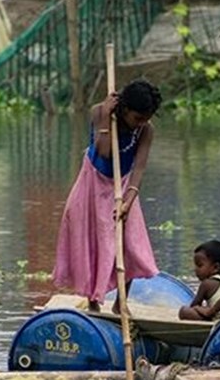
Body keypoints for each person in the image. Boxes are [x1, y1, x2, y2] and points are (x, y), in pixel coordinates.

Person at [52, 80, 162, 312]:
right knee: (92, 238)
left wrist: (129, 201)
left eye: (146, 118)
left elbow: (139, 167)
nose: (141, 124)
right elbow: (104, 151)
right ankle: (93, 301)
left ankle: (121, 303)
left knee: (129, 242)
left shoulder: (146, 130)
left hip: (123, 185)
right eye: (137, 118)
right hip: (92, 182)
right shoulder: (100, 113)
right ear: (123, 110)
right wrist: (104, 117)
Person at [178, 240, 220, 321]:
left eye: (199, 265)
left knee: (184, 311)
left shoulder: (206, 284)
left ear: (216, 267)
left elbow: (194, 306)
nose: (195, 269)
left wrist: (200, 309)